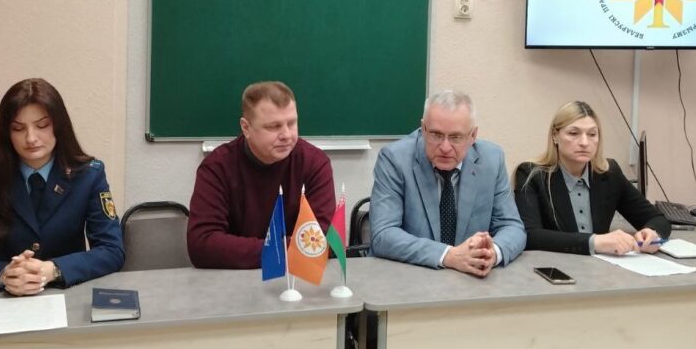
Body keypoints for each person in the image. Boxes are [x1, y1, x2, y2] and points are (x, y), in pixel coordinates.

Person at [0, 78, 124, 295]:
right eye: (18, 128)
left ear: (59, 126)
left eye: (42, 126)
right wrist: (4, 274)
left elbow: (112, 251)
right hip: (8, 299)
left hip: (69, 296)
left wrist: (54, 269)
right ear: (7, 133)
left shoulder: (87, 175)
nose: (31, 138)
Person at [369, 90, 526, 276]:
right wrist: (449, 255)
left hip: (468, 280)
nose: (445, 147)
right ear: (423, 128)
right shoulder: (395, 159)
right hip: (409, 276)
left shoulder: (491, 159)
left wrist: (492, 253)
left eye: (455, 137)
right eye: (436, 135)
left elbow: (512, 227)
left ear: (473, 135)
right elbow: (383, 234)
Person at [187, 81, 335, 269]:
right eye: (274, 126)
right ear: (246, 128)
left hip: (295, 279)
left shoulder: (314, 163)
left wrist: (255, 251)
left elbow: (323, 241)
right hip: (233, 279)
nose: (286, 135)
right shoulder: (217, 168)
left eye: (292, 123)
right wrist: (284, 250)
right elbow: (202, 244)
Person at [514, 101, 670, 256]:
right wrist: (595, 242)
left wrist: (652, 233)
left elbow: (657, 218)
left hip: (601, 268)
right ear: (555, 135)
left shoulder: (609, 173)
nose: (584, 142)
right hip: (555, 266)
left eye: (592, 134)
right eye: (574, 133)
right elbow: (530, 235)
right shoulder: (530, 174)